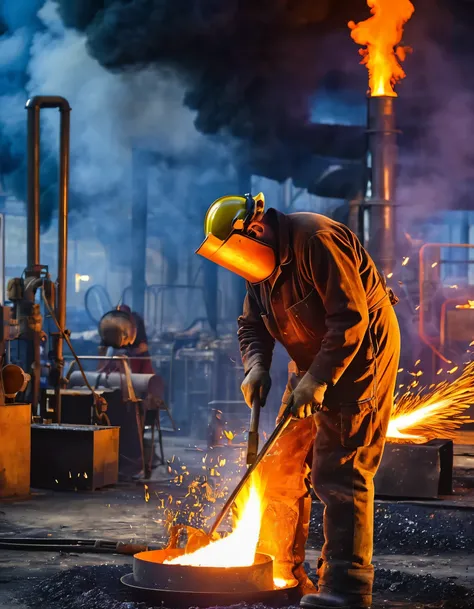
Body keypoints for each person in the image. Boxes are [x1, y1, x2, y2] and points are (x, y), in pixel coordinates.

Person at [196, 193, 401, 609]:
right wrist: (256, 366)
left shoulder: (316, 240)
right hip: (312, 361)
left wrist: (321, 379)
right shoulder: (260, 264)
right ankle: (282, 571)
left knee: (339, 471)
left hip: (361, 357)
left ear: (254, 230)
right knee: (279, 466)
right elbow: (251, 323)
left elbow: (350, 319)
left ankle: (346, 590)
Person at [98, 304, 154, 375]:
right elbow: (102, 349)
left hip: (136, 361)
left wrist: (128, 354)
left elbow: (143, 347)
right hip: (114, 363)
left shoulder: (136, 322)